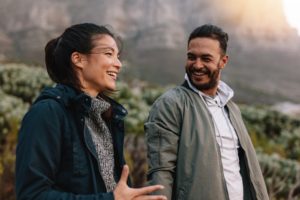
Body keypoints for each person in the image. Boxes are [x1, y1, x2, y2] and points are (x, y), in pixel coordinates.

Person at [16, 23, 167, 200]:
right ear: (78, 59)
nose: (118, 64)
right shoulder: (47, 113)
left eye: (118, 56)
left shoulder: (106, 116)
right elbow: (32, 195)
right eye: (109, 54)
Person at [145, 24, 269, 200]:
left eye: (206, 59)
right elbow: (160, 172)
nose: (197, 65)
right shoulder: (170, 104)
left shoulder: (231, 108)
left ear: (223, 61)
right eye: (191, 57)